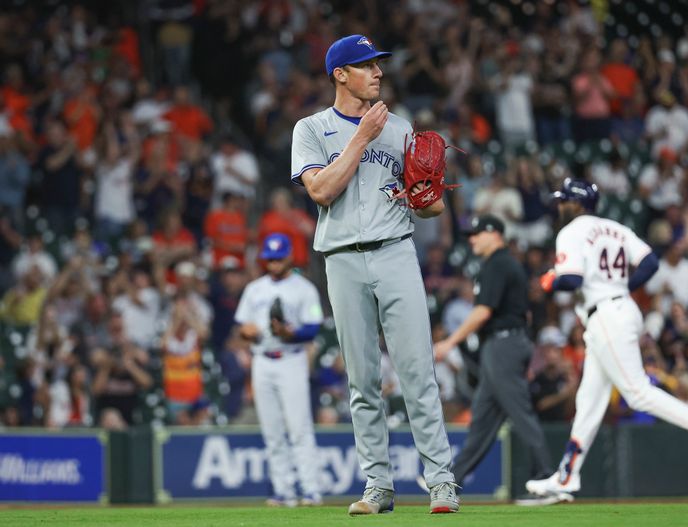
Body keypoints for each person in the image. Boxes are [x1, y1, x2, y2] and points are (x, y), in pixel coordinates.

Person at [290, 34, 459, 515]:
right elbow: (320, 190)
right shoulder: (311, 129)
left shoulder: (401, 126)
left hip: (395, 252)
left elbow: (432, 207)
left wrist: (425, 197)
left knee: (417, 373)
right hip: (342, 258)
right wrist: (362, 137)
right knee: (362, 381)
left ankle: (441, 482)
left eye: (379, 65)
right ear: (340, 74)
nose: (379, 72)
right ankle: (377, 487)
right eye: (367, 65)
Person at [525, 179, 688, 500]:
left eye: (564, 201)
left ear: (578, 204)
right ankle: (567, 476)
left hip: (607, 315)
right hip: (619, 310)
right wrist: (622, 287)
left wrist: (549, 281)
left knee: (637, 393)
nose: (560, 205)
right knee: (588, 402)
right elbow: (650, 262)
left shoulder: (572, 231)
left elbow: (571, 279)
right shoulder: (615, 228)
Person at [430, 215, 560, 503]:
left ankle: (546, 479)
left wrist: (450, 342)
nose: (472, 239)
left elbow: (483, 311)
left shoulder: (499, 263)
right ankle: (452, 480)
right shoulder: (501, 264)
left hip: (504, 344)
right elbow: (522, 312)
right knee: (483, 418)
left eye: (477, 234)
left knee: (520, 412)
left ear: (495, 234)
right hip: (503, 344)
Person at [234, 233, 324, 507]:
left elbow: (314, 325)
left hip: (291, 358)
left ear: (288, 257)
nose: (273, 263)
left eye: (278, 258)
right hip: (262, 360)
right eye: (269, 259)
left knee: (299, 429)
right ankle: (283, 490)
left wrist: (291, 333)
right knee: (272, 431)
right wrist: (247, 331)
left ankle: (310, 490)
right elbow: (243, 326)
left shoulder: (304, 288)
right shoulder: (255, 289)